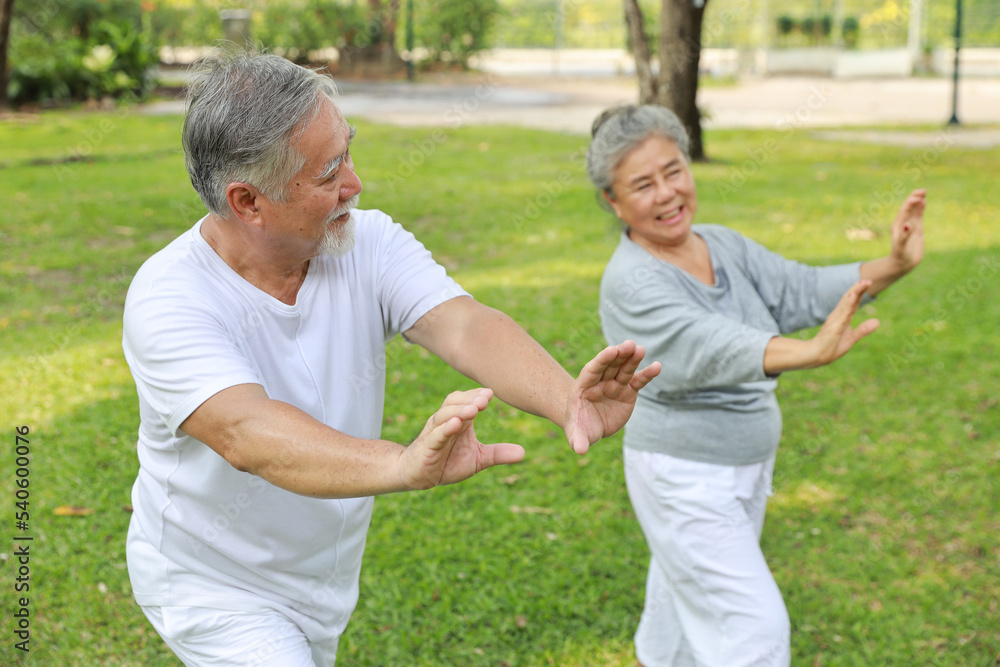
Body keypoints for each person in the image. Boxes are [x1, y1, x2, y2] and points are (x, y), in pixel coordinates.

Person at [121, 49, 661, 666]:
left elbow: (464, 326)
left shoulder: (364, 241)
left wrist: (566, 398)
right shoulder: (170, 297)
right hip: (211, 584)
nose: (355, 183)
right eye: (328, 173)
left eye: (347, 150)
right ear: (247, 202)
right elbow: (248, 434)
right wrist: (404, 464)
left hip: (319, 581)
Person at [587, 105, 925, 667]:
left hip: (739, 465)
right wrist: (811, 352)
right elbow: (711, 344)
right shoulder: (632, 282)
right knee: (754, 630)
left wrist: (892, 264)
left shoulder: (720, 244)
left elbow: (800, 288)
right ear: (613, 202)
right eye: (642, 184)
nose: (668, 194)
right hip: (685, 479)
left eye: (674, 171)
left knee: (680, 604)